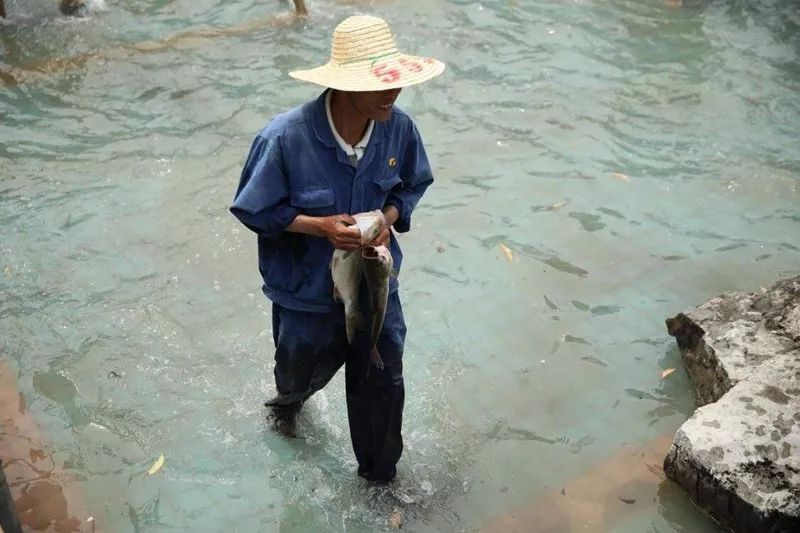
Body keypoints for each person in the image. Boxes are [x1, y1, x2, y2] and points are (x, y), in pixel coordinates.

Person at [230, 14, 444, 482]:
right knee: (297, 381)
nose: (394, 93)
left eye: (396, 83)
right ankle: (286, 410)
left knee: (383, 381)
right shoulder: (284, 138)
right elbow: (252, 210)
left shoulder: (399, 130)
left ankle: (379, 480)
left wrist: (385, 221)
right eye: (380, 85)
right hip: (305, 296)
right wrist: (319, 226)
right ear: (345, 86)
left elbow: (411, 187)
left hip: (376, 283)